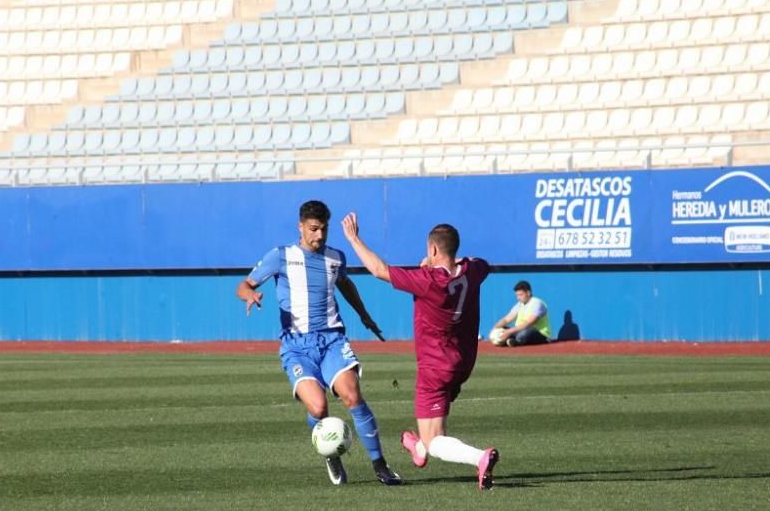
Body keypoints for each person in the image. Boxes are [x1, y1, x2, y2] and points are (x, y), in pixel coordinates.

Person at [236, 200, 402, 486]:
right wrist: (249, 296)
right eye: (313, 229)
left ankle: (380, 465)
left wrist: (365, 316)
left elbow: (346, 285)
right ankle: (330, 452)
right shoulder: (280, 256)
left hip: (332, 339)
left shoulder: (335, 258)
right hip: (296, 346)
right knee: (318, 409)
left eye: (324, 229)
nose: (319, 236)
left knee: (352, 396)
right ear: (301, 226)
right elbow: (245, 284)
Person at [341, 213, 500, 491]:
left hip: (435, 366)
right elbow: (479, 263)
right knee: (428, 435)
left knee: (434, 440)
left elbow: (379, 269)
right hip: (463, 363)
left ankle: (479, 457)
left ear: (433, 249)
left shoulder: (427, 280)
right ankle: (416, 447)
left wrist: (354, 238)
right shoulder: (473, 273)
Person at [491, 280, 551, 346]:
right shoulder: (520, 304)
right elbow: (506, 319)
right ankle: (511, 341)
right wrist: (495, 328)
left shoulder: (537, 303)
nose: (518, 298)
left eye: (520, 295)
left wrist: (509, 332)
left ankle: (515, 341)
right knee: (502, 329)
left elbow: (529, 323)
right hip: (520, 331)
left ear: (528, 293)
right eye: (517, 295)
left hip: (539, 333)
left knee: (525, 333)